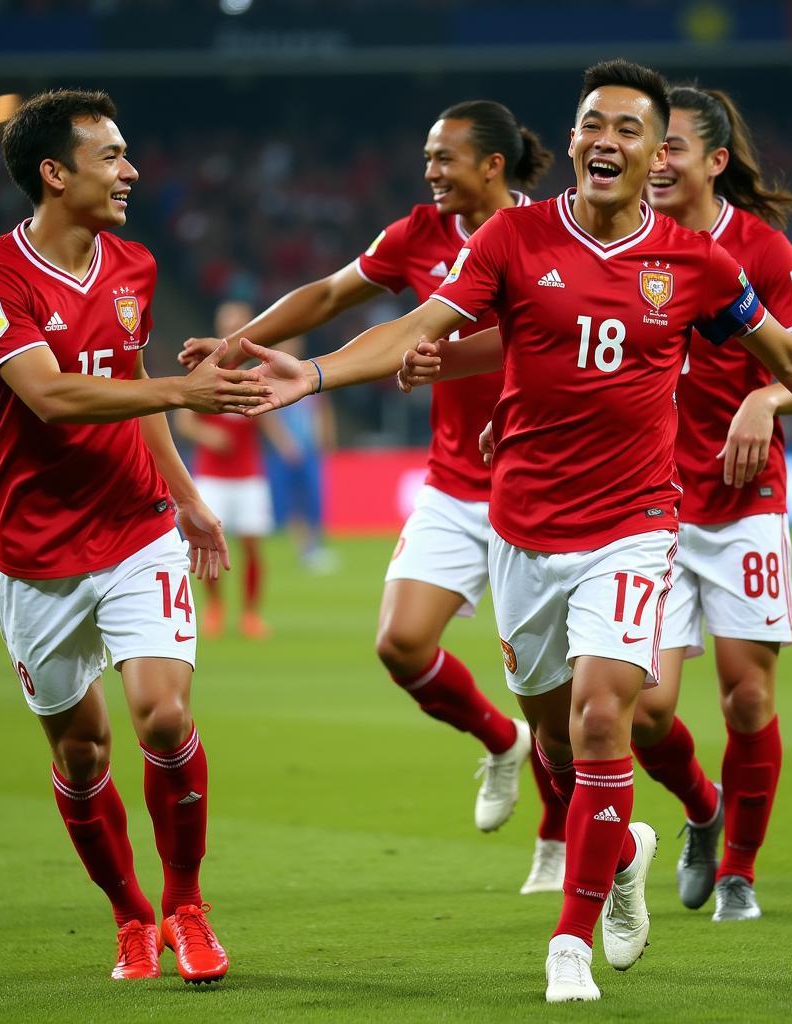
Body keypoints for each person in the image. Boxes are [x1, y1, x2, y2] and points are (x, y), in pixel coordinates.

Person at [237, 59, 792, 1004]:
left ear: (656, 153)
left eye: (626, 128)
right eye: (589, 124)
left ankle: (569, 942)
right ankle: (624, 853)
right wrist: (312, 374)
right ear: (569, 141)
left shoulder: (701, 264)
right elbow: (422, 330)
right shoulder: (514, 237)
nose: (605, 140)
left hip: (637, 525)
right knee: (560, 746)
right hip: (523, 528)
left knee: (608, 713)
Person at [179, 100, 568, 891]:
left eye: (445, 157)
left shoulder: (553, 235)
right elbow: (326, 296)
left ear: (493, 165)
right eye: (426, 156)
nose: (429, 171)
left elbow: (542, 337)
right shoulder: (417, 235)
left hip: (544, 486)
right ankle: (500, 743)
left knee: (548, 683)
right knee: (400, 642)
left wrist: (449, 361)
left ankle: (559, 837)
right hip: (457, 481)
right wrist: (236, 343)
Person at [0, 89, 264, 984]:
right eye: (112, 157)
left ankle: (187, 907)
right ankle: (131, 917)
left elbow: (132, 383)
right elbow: (50, 397)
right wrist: (179, 391)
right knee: (81, 750)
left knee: (165, 717)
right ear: (56, 173)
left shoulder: (134, 265)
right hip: (33, 553)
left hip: (136, 528)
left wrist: (189, 497)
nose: (130, 172)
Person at [629, 84, 792, 923]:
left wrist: (766, 401)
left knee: (746, 697)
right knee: (646, 714)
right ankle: (701, 807)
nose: (657, 160)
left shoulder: (759, 247)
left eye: (673, 145)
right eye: (652, 144)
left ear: (715, 161)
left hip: (744, 501)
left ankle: (740, 873)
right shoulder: (626, 241)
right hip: (647, 503)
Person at [175, 300, 275, 639]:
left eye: (240, 322)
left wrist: (288, 444)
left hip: (249, 474)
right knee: (209, 546)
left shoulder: (259, 367)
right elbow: (183, 418)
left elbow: (270, 412)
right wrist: (208, 434)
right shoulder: (205, 367)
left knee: (251, 546)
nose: (232, 327)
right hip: (212, 475)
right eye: (228, 322)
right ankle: (215, 607)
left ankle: (250, 615)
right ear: (219, 327)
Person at [260, 335, 339, 575]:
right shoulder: (270, 379)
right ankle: (302, 548)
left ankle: (313, 547)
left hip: (310, 450)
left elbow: (323, 408)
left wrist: (326, 437)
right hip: (284, 453)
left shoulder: (309, 372)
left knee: (314, 499)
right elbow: (267, 416)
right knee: (292, 501)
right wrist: (283, 443)